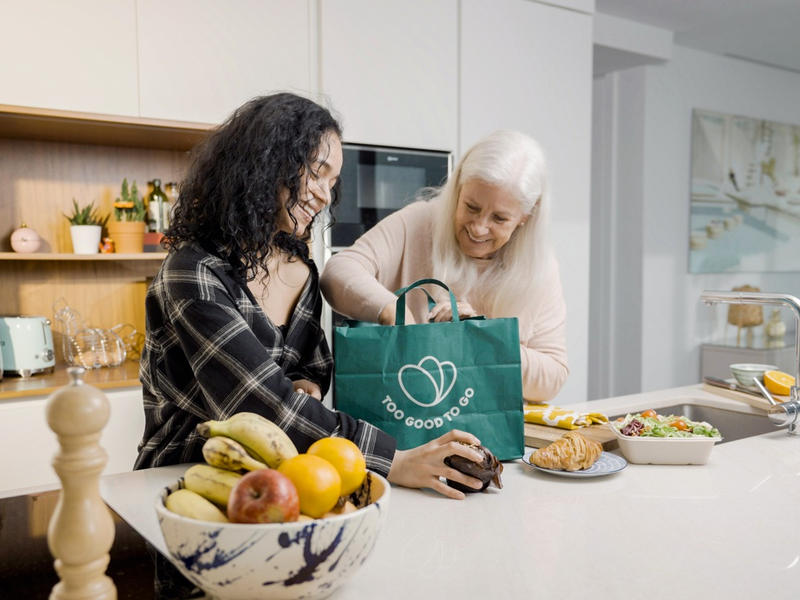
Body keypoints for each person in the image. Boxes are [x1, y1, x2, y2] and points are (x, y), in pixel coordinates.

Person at [135, 92, 487, 597]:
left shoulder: (298, 264)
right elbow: (262, 407)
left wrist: (306, 385)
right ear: (264, 164)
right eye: (316, 172)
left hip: (291, 474)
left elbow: (314, 363)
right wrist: (396, 461)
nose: (325, 194)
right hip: (191, 483)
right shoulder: (192, 274)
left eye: (333, 180)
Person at [320, 129, 568, 402]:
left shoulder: (539, 269)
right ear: (459, 187)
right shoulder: (418, 223)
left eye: (499, 218)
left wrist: (481, 336)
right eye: (471, 207)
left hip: (490, 434)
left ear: (525, 216)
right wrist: (393, 311)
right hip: (407, 424)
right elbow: (337, 271)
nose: (479, 227)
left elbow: (553, 378)